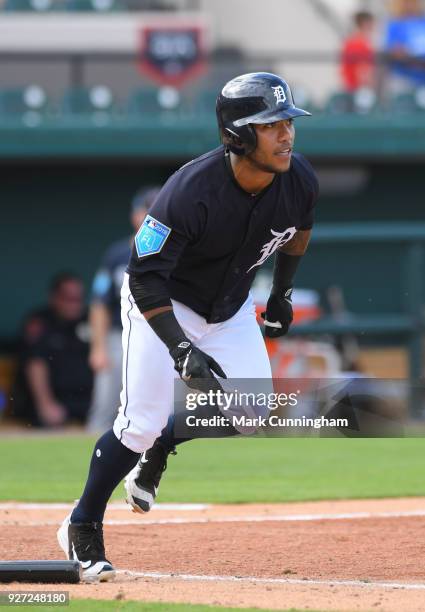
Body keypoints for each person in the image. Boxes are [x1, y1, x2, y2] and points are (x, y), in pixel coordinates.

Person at [57, 71, 319, 582]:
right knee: (137, 423)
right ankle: (81, 521)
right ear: (238, 135)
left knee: (252, 411)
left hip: (231, 308)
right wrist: (180, 349)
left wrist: (281, 292)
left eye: (288, 121)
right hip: (164, 304)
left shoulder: (299, 178)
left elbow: (298, 234)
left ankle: (163, 445)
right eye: (271, 124)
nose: (286, 133)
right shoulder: (188, 191)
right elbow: (144, 278)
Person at [87, 186, 161, 433]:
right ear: (135, 215)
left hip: (161, 334)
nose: (150, 216)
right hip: (119, 336)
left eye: (156, 210)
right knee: (105, 406)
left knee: (162, 406)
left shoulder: (176, 252)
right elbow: (99, 302)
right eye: (146, 210)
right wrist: (98, 347)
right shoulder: (117, 254)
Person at [12, 273, 93, 427]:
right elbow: (35, 364)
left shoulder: (90, 320)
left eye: (78, 299)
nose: (74, 304)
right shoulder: (40, 323)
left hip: (86, 401)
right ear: (54, 297)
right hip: (54, 402)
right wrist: (46, 405)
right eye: (68, 299)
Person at [384, 0, 425, 91]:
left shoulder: (422, 22)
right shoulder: (396, 24)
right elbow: (393, 50)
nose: (410, 5)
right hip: (404, 78)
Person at [341, 11, 376, 92]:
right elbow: (362, 70)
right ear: (365, 23)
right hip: (357, 89)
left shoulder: (355, 41)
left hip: (353, 87)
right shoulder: (358, 43)